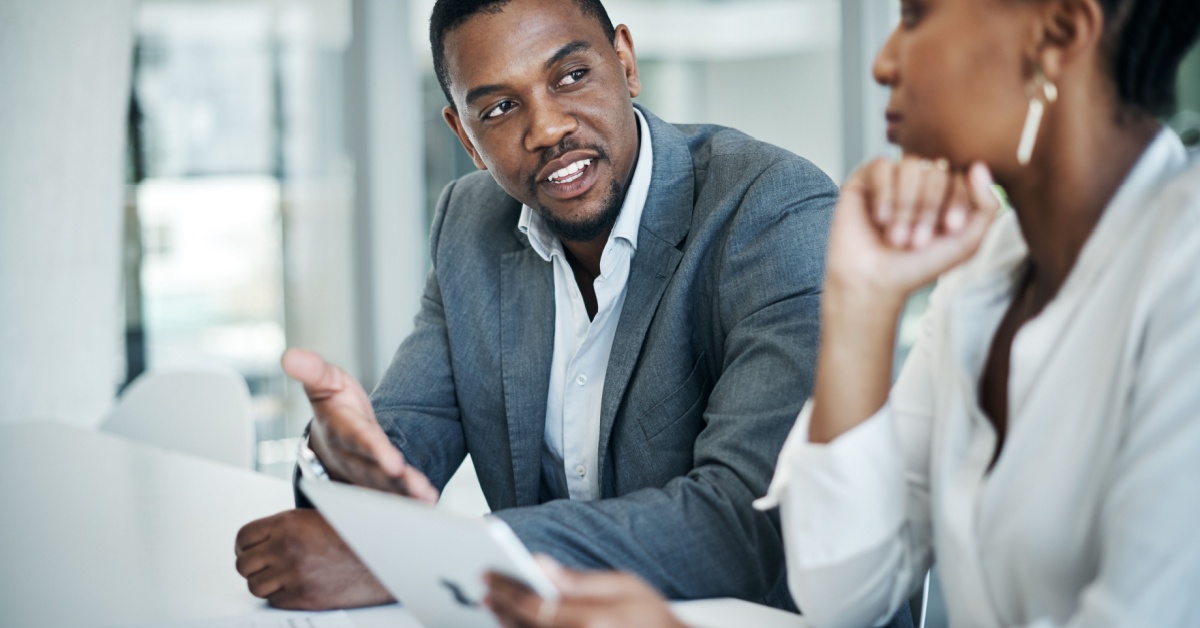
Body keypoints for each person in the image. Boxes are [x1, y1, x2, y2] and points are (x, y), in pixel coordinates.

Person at [484, 0, 1200, 626]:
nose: (885, 63)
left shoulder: (1184, 276)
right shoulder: (992, 273)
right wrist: (861, 300)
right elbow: (843, 593)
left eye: (915, 16)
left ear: (1062, 31)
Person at [233, 0, 844, 613]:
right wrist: (339, 466)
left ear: (625, 63)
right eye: (499, 108)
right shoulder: (469, 225)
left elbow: (745, 521)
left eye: (571, 76)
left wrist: (447, 560)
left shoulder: (775, 212)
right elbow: (400, 444)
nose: (547, 129)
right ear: (465, 137)